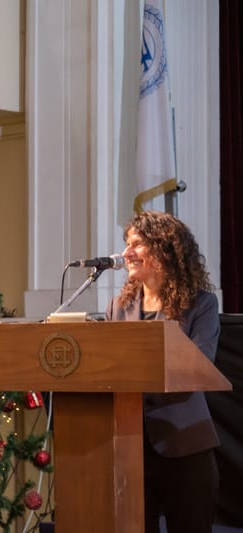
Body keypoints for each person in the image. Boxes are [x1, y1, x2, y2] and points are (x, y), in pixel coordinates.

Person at [106, 211, 220, 533]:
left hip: (185, 444)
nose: (126, 252)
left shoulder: (201, 304)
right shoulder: (118, 307)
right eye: (126, 243)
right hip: (129, 446)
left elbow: (200, 364)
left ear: (165, 249)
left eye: (137, 244)